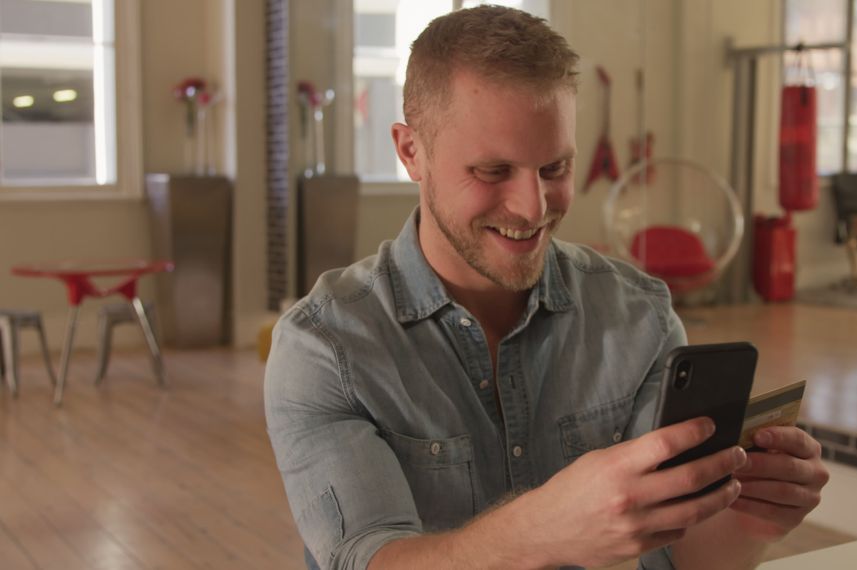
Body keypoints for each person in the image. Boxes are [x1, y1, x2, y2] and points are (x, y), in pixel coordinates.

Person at [265, 6, 828, 570]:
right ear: (412, 151)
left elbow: (679, 558)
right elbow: (368, 560)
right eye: (492, 171)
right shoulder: (326, 347)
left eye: (554, 168)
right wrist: (541, 531)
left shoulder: (639, 316)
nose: (532, 208)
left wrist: (749, 521)